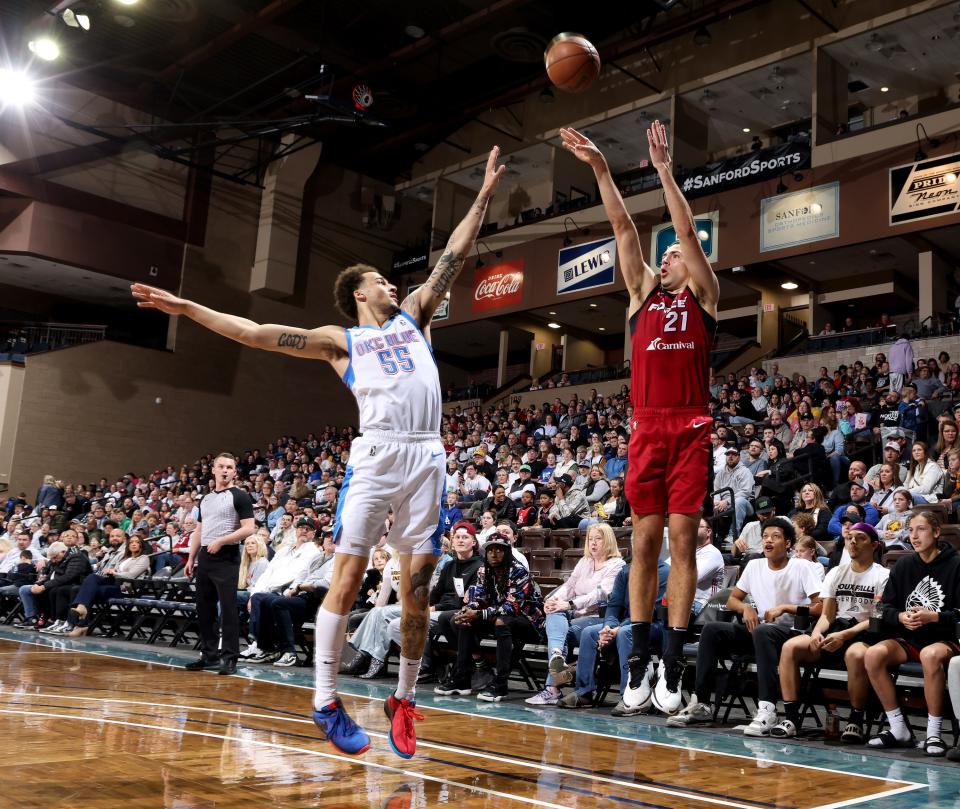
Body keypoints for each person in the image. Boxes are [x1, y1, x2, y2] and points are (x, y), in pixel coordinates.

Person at [133, 144, 504, 757]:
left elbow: (453, 257)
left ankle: (404, 700)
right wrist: (186, 307)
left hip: (428, 456)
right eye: (380, 279)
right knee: (350, 574)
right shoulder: (340, 341)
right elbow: (254, 333)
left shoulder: (414, 316)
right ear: (360, 293)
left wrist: (485, 194)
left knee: (417, 586)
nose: (393, 283)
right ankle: (325, 700)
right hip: (378, 455)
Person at [560, 120, 719, 717]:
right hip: (647, 426)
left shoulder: (703, 296)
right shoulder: (639, 298)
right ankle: (639, 663)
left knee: (682, 543)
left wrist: (664, 171)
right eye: (668, 255)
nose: (671, 253)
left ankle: (673, 667)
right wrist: (602, 168)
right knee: (643, 545)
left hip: (691, 425)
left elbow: (684, 230)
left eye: (678, 252)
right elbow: (624, 227)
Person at [668, 517, 822, 734]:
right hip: (759, 633)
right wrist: (745, 608)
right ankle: (702, 703)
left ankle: (767, 710)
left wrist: (787, 607)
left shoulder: (802, 567)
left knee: (762, 630)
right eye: (765, 537)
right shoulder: (754, 565)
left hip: (792, 634)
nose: (768, 541)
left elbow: (820, 607)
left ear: (788, 544)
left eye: (775, 537)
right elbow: (733, 599)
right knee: (712, 630)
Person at [770, 523, 888, 738]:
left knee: (856, 654)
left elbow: (876, 618)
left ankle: (856, 720)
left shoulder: (883, 575)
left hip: (863, 633)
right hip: (835, 629)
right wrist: (816, 634)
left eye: (860, 538)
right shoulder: (836, 572)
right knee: (790, 647)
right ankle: (791, 717)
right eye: (850, 537)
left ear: (875, 545)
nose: (852, 541)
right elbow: (827, 614)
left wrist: (845, 635)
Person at [862, 511, 960, 754]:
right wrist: (900, 617)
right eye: (910, 530)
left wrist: (934, 616)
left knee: (929, 655)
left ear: (937, 532)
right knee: (873, 655)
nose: (913, 536)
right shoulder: (904, 564)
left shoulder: (956, 564)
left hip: (947, 638)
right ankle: (899, 728)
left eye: (921, 529)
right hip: (911, 638)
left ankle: (934, 733)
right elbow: (884, 607)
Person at [434, 533, 544, 702]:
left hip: (528, 621)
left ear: (507, 552)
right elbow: (479, 598)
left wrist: (478, 613)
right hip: (497, 615)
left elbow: (512, 606)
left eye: (499, 550)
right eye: (490, 550)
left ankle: (500, 685)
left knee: (502, 622)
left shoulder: (519, 572)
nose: (493, 554)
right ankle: (462, 678)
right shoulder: (484, 570)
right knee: (464, 620)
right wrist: (469, 610)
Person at [525, 523, 625, 706]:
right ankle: (557, 657)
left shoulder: (617, 565)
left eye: (598, 539)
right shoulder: (585, 561)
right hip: (574, 613)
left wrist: (569, 604)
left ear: (608, 540)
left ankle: (552, 687)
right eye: (590, 539)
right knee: (554, 614)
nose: (593, 543)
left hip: (599, 617)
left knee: (563, 633)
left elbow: (600, 594)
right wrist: (553, 600)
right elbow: (569, 586)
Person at [174, 453, 256, 675]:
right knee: (205, 609)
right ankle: (208, 655)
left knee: (228, 609)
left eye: (230, 467)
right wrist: (191, 558)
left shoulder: (239, 496)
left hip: (227, 556)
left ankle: (230, 658)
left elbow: (249, 528)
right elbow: (199, 530)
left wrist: (222, 540)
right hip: (205, 556)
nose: (225, 470)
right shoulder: (206, 499)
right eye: (221, 466)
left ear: (235, 472)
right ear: (213, 470)